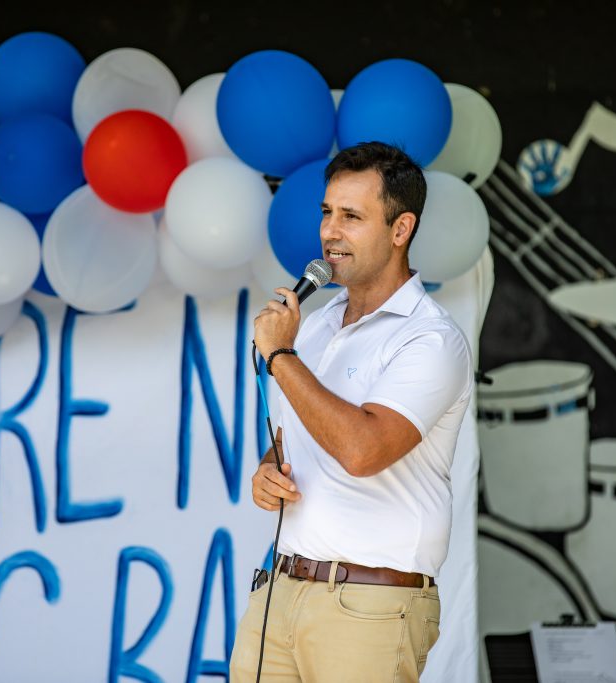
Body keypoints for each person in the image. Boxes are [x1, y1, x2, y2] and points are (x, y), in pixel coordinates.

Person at [230, 141, 473, 682]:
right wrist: (271, 468)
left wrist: (280, 356)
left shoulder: (430, 338)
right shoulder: (314, 323)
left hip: (369, 605)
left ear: (400, 229)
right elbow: (300, 431)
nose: (329, 231)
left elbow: (363, 450)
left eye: (351, 216)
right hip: (280, 588)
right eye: (326, 213)